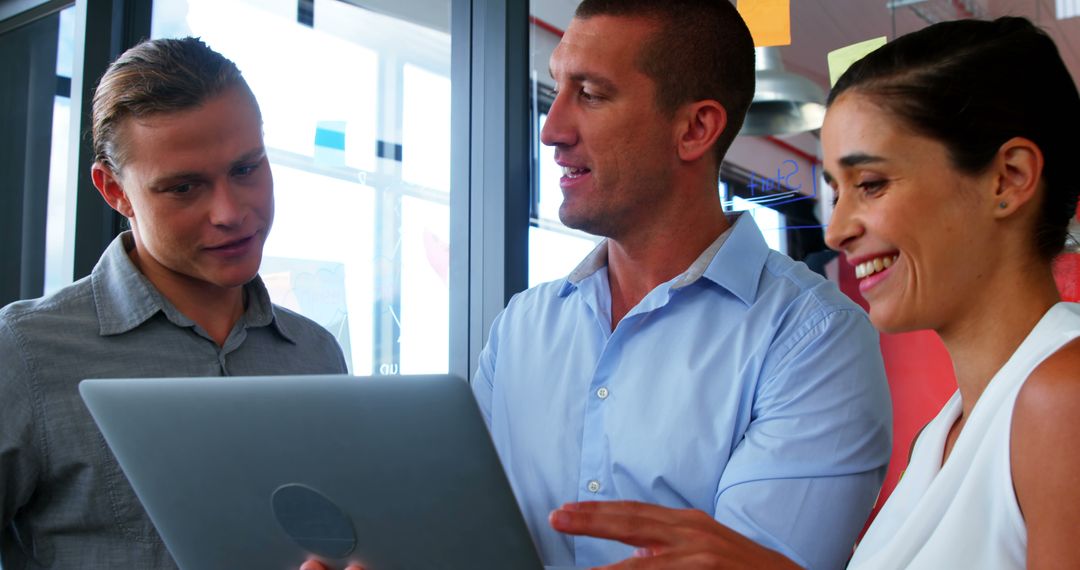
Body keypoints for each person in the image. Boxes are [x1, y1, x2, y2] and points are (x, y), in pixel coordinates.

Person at [303, 2, 890, 569]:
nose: (552, 128)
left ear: (695, 128)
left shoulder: (816, 341)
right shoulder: (523, 327)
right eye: (556, 88)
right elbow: (460, 532)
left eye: (590, 94)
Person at [552, 15, 1080, 570]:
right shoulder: (946, 431)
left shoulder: (1060, 397)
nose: (836, 231)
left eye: (871, 184)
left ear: (1009, 178)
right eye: (835, 190)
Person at [0, 37, 348, 568]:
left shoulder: (317, 354)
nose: (231, 212)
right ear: (114, 191)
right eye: (185, 188)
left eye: (246, 169)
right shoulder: (23, 353)